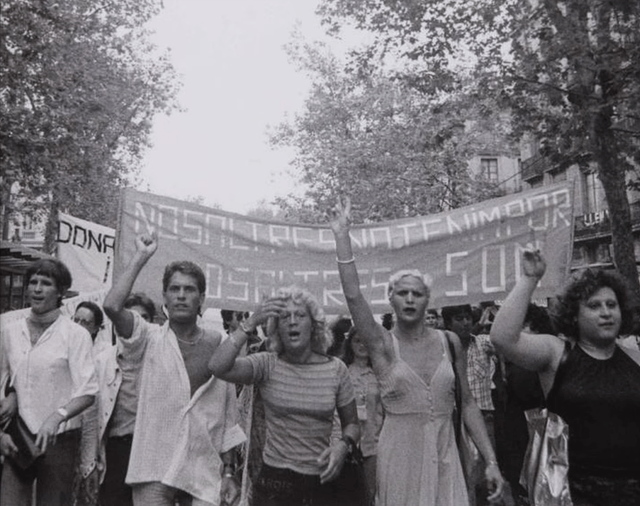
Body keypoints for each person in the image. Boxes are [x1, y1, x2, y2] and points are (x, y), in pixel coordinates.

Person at [329, 198, 504, 506]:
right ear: (390, 299)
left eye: (417, 293)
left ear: (428, 300)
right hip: (399, 453)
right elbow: (354, 296)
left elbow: (467, 405)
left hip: (446, 450)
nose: (410, 299)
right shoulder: (382, 345)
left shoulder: (449, 342)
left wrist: (491, 460)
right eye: (402, 293)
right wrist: (342, 239)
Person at [103, 233, 245, 506]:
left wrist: (229, 471)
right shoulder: (148, 338)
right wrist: (141, 257)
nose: (181, 295)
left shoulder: (219, 345)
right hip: (154, 466)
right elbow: (111, 305)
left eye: (189, 289)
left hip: (204, 466)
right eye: (174, 289)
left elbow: (228, 416)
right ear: (164, 298)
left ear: (201, 298)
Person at [490, 249, 640, 506]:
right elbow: (503, 338)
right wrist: (529, 279)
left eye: (611, 305)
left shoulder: (635, 357)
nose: (606, 312)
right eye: (594, 306)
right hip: (572, 493)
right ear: (574, 315)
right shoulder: (556, 353)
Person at [208, 286, 360, 506]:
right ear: (276, 327)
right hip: (273, 485)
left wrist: (342, 446)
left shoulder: (336, 369)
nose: (292, 322)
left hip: (321, 481)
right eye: (284, 317)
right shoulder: (267, 364)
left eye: (300, 315)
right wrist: (249, 324)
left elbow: (353, 425)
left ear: (314, 325)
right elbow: (217, 366)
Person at [0, 259, 98, 506]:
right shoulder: (10, 331)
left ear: (61, 292)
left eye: (45, 283)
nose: (37, 289)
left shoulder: (76, 335)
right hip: (18, 436)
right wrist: (1, 432)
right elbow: (5, 379)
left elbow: (88, 391)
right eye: (33, 282)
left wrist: (57, 416)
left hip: (59, 439)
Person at [92, 292, 156, 506]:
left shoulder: (162, 359)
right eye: (130, 317)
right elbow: (92, 413)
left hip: (151, 451)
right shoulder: (102, 361)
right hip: (116, 451)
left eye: (144, 319)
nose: (137, 326)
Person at [441, 304, 502, 506]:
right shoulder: (442, 350)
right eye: (459, 319)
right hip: (453, 419)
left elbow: (506, 347)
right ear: (448, 323)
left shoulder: (484, 343)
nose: (465, 322)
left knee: (486, 473)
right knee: (461, 472)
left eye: (468, 317)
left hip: (485, 418)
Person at [342, 327, 384, 506]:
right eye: (357, 340)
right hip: (347, 442)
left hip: (374, 441)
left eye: (366, 340)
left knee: (370, 494)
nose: (362, 345)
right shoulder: (342, 371)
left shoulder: (380, 373)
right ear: (350, 344)